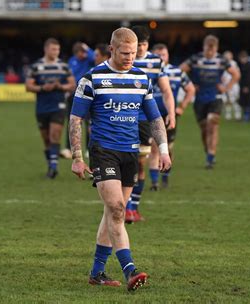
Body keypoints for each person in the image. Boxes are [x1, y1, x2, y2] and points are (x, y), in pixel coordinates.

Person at [69, 27, 171, 291]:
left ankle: (96, 273)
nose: (129, 58)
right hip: (103, 151)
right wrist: (78, 157)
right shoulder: (92, 78)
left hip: (130, 153)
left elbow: (155, 117)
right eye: (124, 53)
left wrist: (164, 148)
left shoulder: (141, 78)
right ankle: (130, 269)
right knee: (117, 209)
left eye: (134, 53)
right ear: (111, 49)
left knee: (111, 213)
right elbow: (76, 119)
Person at [125, 25, 175, 223]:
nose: (140, 50)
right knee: (126, 161)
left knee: (139, 163)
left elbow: (167, 90)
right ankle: (125, 207)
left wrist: (170, 112)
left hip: (144, 120)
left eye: (143, 45)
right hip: (123, 118)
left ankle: (133, 208)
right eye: (137, 45)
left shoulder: (155, 61)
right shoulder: (123, 60)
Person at [180, 35, 240, 169]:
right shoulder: (195, 59)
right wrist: (190, 85)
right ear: (204, 47)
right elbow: (179, 71)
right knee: (204, 130)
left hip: (216, 97)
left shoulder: (221, 60)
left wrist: (226, 88)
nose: (210, 53)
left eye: (212, 51)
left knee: (212, 125)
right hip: (200, 99)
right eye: (208, 50)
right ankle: (208, 152)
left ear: (217, 49)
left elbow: (236, 74)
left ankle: (210, 158)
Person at [25, 38, 75, 178]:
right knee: (46, 139)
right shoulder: (36, 66)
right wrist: (42, 88)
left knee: (55, 135)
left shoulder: (63, 66)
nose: (56, 52)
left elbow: (72, 85)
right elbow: (28, 86)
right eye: (53, 49)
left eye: (57, 49)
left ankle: (53, 168)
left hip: (58, 105)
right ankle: (51, 164)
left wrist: (60, 87)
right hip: (42, 107)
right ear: (46, 49)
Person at [152, 43, 195, 188]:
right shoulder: (146, 70)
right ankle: (153, 180)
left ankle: (165, 175)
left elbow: (190, 89)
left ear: (168, 55)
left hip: (168, 115)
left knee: (168, 147)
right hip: (148, 115)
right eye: (158, 55)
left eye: (163, 55)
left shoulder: (177, 72)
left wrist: (181, 107)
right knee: (152, 148)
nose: (161, 58)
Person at [61, 42, 96, 159]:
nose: (84, 54)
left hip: (86, 94)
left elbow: (95, 57)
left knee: (88, 123)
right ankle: (69, 148)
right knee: (72, 121)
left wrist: (87, 48)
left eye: (85, 52)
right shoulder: (72, 61)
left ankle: (88, 149)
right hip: (73, 94)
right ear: (76, 53)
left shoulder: (88, 60)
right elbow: (68, 77)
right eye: (82, 52)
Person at [221, 51, 242, 121]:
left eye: (228, 55)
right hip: (225, 85)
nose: (227, 57)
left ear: (231, 56)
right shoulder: (222, 63)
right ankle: (228, 115)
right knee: (227, 101)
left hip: (234, 85)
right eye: (226, 55)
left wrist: (234, 82)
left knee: (235, 100)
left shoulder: (234, 63)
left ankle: (237, 115)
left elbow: (237, 74)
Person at [238, 51, 250, 122]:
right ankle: (248, 117)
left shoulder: (248, 66)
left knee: (248, 102)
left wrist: (246, 86)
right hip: (246, 86)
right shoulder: (244, 65)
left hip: (248, 86)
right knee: (245, 102)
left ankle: (247, 117)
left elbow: (249, 77)